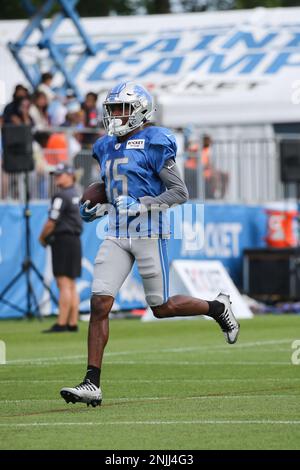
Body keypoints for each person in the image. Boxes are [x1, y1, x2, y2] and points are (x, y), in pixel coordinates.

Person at [60, 82, 240, 407]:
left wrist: (143, 203)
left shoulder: (156, 140)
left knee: (161, 307)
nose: (115, 115)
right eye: (112, 109)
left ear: (141, 110)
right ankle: (92, 382)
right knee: (100, 304)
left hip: (148, 231)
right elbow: (110, 185)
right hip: (115, 231)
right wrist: (95, 206)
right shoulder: (105, 145)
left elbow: (179, 193)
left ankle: (218, 308)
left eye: (121, 109)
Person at [39, 163, 82, 332]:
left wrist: (42, 237)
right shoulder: (76, 194)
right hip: (75, 240)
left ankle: (62, 323)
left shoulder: (61, 196)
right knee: (71, 284)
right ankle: (73, 323)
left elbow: (51, 222)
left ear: (70, 175)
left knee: (63, 282)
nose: (57, 177)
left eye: (60, 174)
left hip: (63, 240)